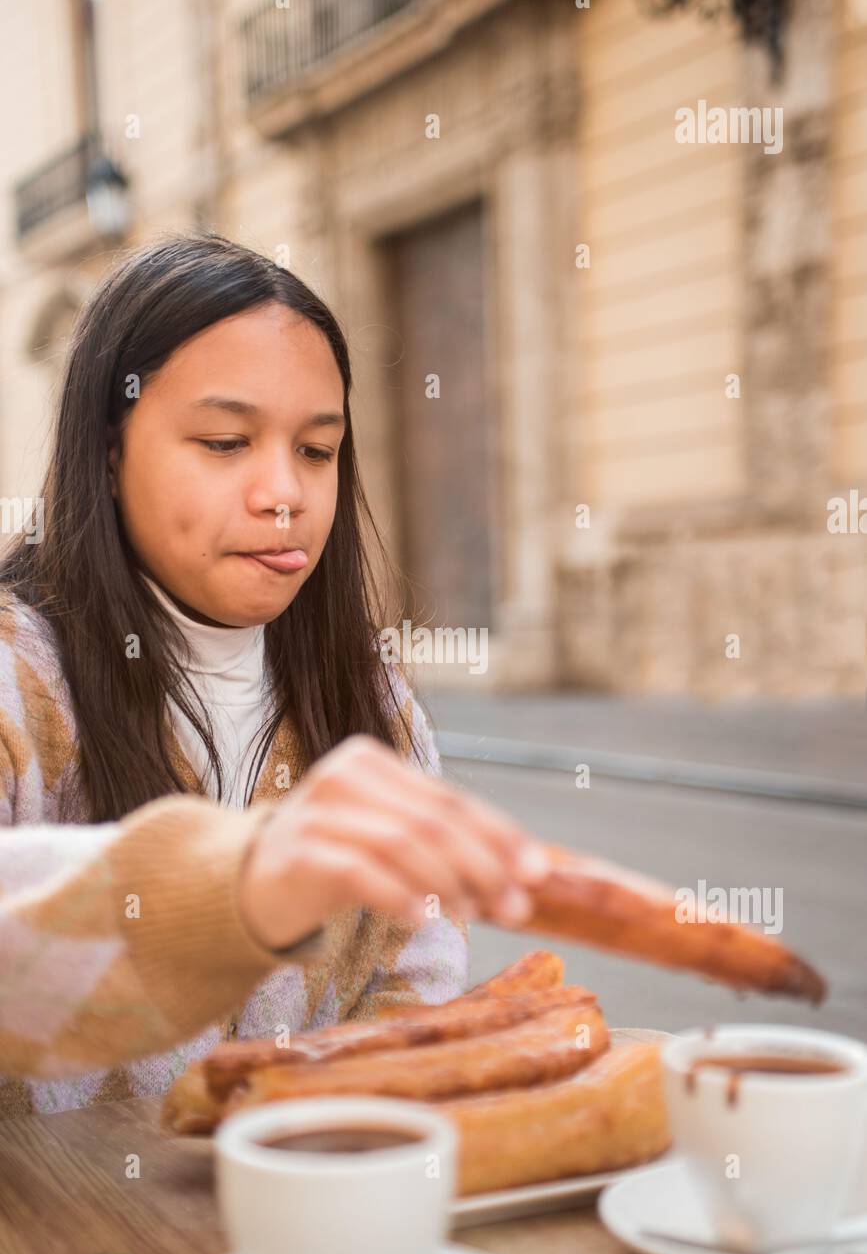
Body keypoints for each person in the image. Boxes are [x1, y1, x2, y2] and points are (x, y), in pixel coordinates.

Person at [0, 232, 549, 1118]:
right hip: (76, 1250)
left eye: (317, 450)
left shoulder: (375, 703)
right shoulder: (17, 687)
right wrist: (237, 888)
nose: (283, 493)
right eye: (224, 442)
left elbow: (417, 983)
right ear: (109, 452)